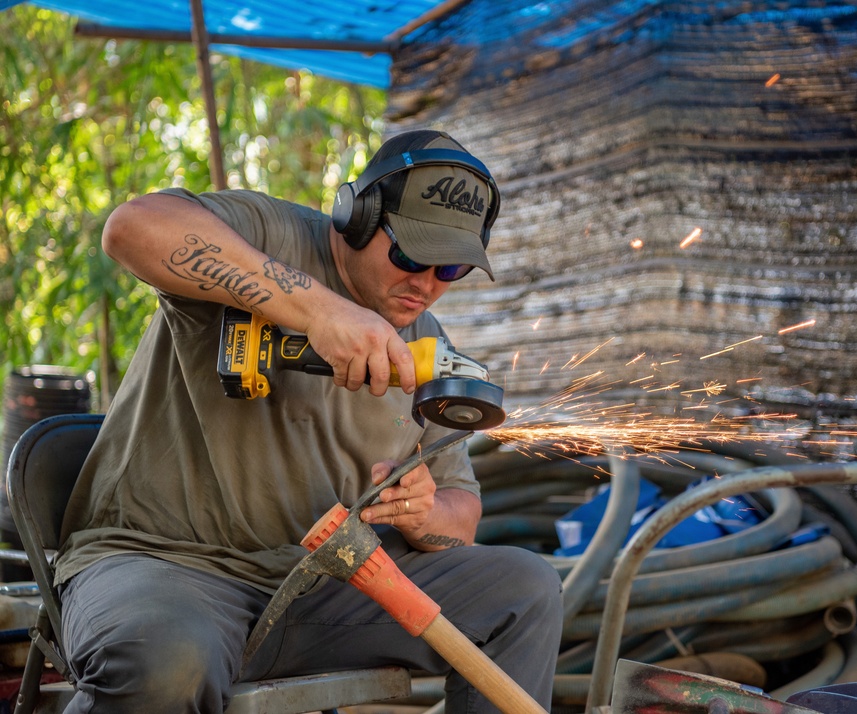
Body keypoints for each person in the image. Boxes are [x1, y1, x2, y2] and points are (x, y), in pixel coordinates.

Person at [54, 129, 563, 713]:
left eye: (451, 270)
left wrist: (425, 513)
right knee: (166, 662)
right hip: (167, 567)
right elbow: (132, 229)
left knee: (525, 590)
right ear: (359, 216)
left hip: (319, 593)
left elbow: (461, 516)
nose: (426, 285)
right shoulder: (269, 235)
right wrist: (321, 311)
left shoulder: (428, 350)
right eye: (410, 255)